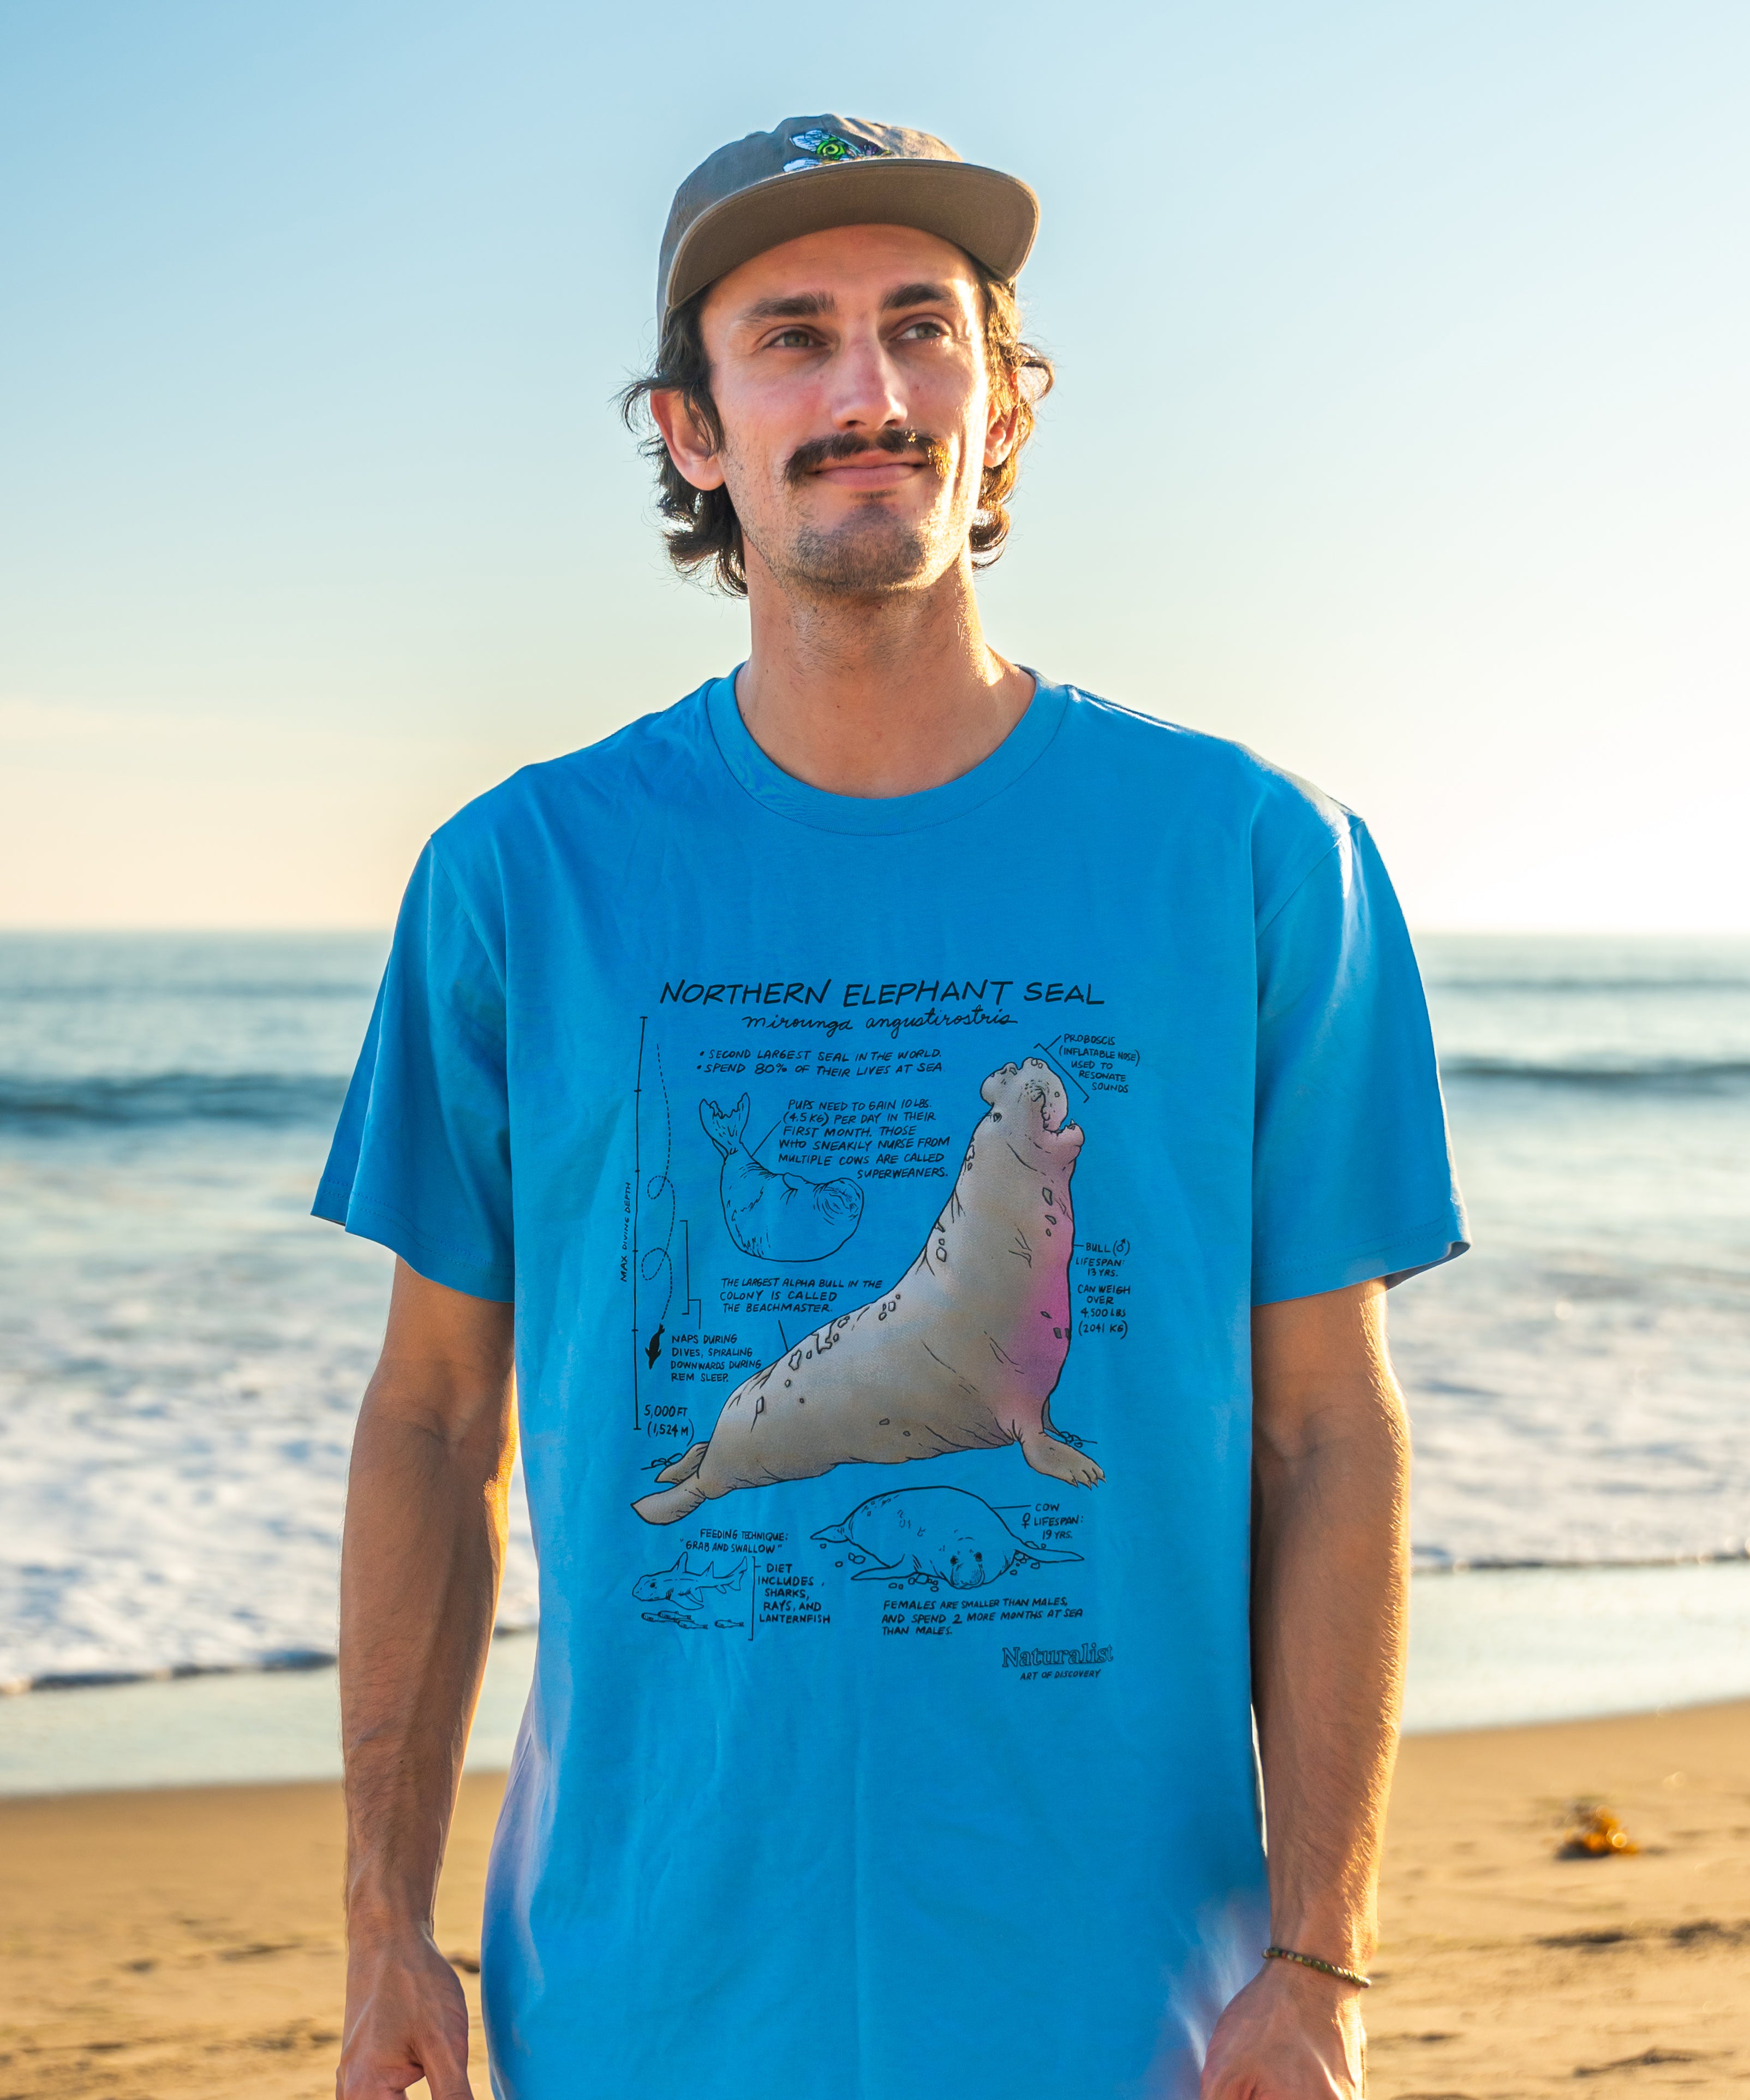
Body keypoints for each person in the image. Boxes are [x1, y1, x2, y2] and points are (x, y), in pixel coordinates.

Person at [316, 112, 1467, 2100]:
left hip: (1137, 2013)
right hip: (634, 2001)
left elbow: (1326, 1430)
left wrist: (1321, 1960)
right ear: (693, 432)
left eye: (925, 330)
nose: (870, 392)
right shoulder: (519, 878)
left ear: (1002, 409)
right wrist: (380, 1929)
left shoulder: (1262, 861)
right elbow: (431, 1419)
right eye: (794, 338)